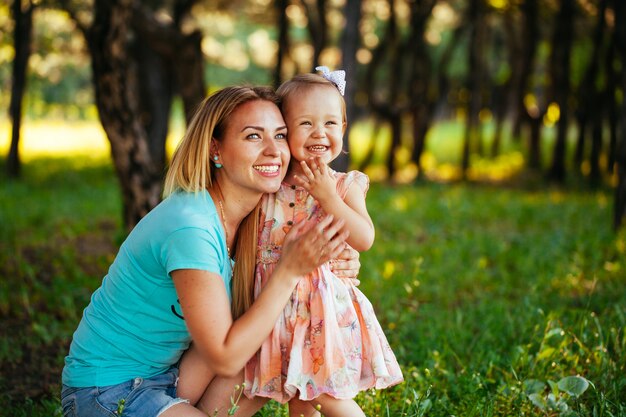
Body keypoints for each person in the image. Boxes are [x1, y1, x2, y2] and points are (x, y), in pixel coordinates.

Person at [60, 85, 360, 417]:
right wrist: (290, 271)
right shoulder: (191, 227)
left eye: (280, 135)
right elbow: (226, 357)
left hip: (178, 375)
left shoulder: (257, 216)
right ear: (215, 149)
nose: (274, 150)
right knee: (258, 344)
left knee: (276, 348)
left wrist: (336, 258)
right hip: (108, 389)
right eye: (253, 137)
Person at [243, 68, 404, 417]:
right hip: (275, 307)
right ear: (284, 131)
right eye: (306, 124)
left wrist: (329, 198)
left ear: (343, 130)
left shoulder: (345, 185)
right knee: (300, 397)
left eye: (331, 123)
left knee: (328, 396)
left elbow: (364, 237)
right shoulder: (270, 185)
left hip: (322, 313)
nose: (320, 133)